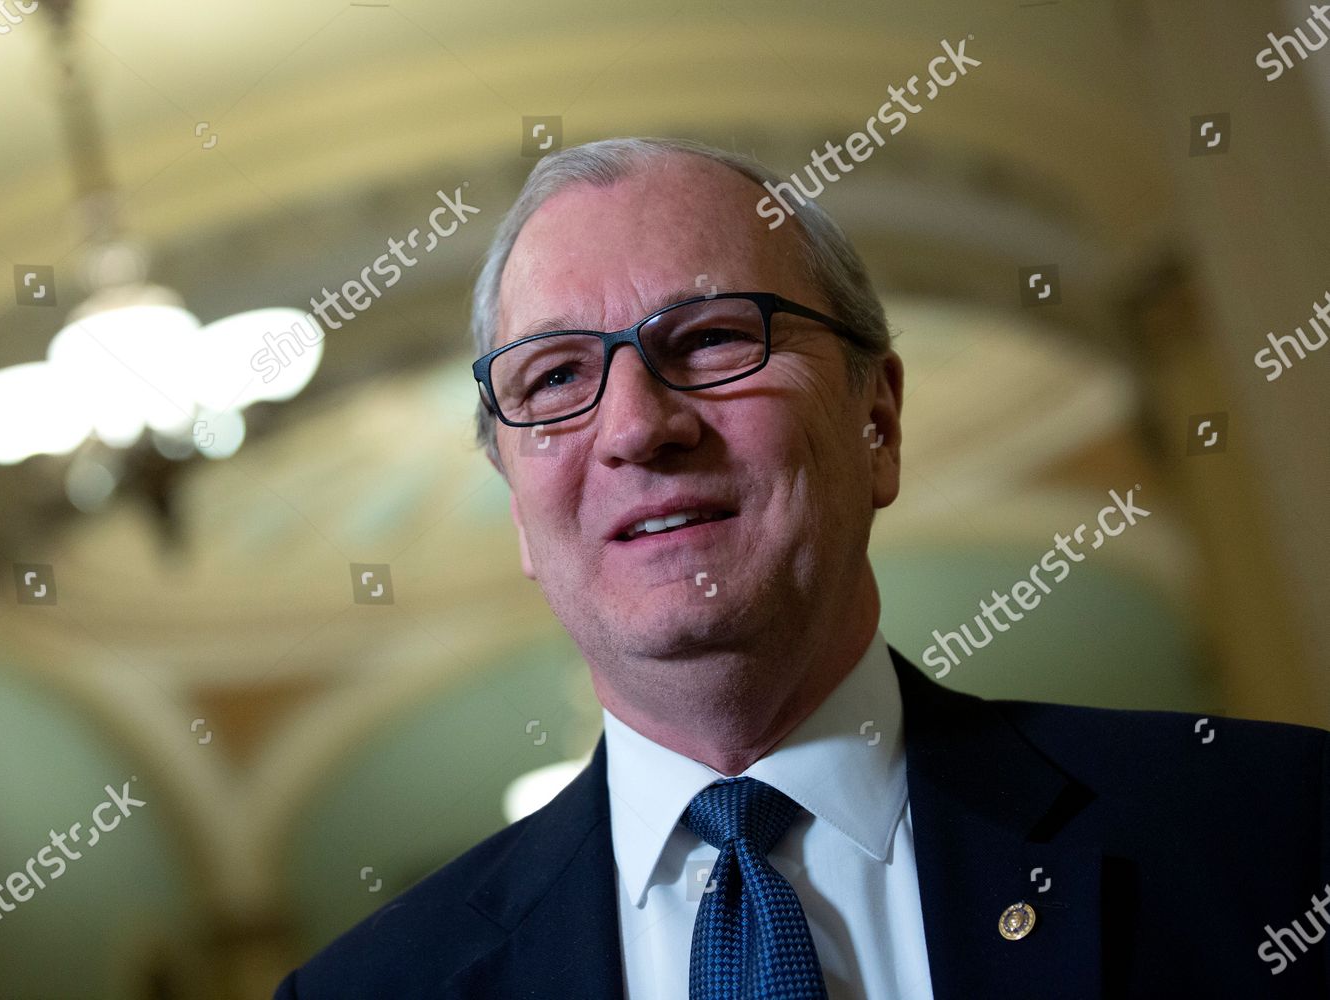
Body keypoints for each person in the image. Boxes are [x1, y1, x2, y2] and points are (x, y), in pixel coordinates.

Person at [275, 138, 1330, 999]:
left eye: (713, 339)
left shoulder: (1274, 831)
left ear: (877, 419)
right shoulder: (371, 990)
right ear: (517, 504)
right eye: (556, 376)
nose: (639, 425)